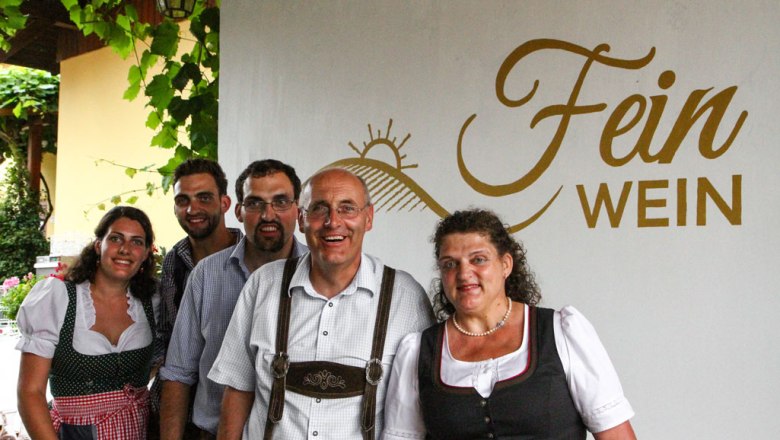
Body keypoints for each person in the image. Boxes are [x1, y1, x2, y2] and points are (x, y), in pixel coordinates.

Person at [209, 168, 435, 439]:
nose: (333, 222)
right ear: (302, 219)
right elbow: (237, 389)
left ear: (368, 218)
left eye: (347, 208)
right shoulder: (263, 285)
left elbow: (422, 407)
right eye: (319, 209)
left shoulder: (405, 297)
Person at [382, 209, 636, 440]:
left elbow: (616, 436)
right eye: (450, 264)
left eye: (478, 259)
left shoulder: (560, 332)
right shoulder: (418, 352)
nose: (464, 273)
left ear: (506, 265)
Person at [159, 159, 308, 439]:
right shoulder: (206, 275)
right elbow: (178, 373)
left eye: (280, 202)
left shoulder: (319, 274)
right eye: (254, 203)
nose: (268, 215)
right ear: (238, 211)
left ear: (298, 209)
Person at [16, 206, 158, 439]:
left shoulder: (152, 302)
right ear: (97, 245)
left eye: (137, 242)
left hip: (139, 431)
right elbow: (30, 392)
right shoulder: (59, 297)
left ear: (145, 255)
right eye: (115, 238)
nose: (125, 249)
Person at [150, 158, 243, 437]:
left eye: (204, 197)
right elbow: (167, 338)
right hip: (179, 414)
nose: (193, 209)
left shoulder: (251, 259)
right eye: (183, 200)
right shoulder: (173, 260)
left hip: (229, 416)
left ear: (225, 203)